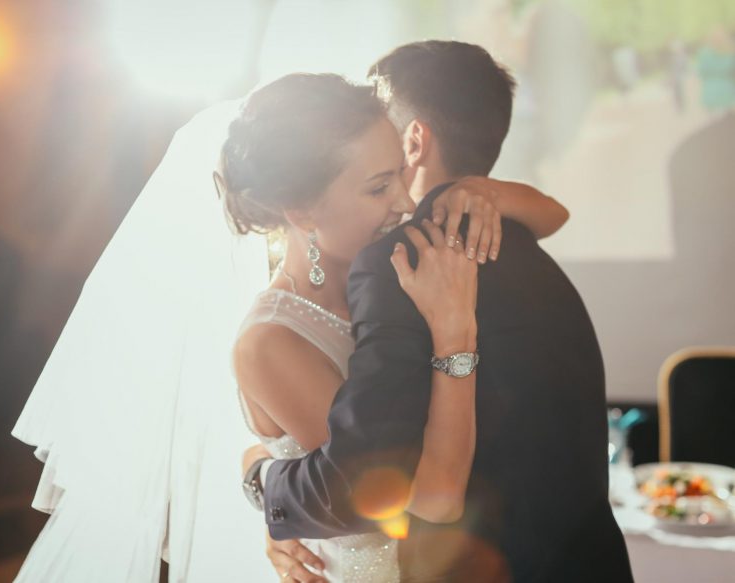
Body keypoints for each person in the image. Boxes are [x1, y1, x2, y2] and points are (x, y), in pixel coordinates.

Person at [245, 41, 633, 582]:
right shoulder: (527, 247)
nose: (402, 202)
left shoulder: (398, 263)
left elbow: (391, 482)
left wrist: (262, 481)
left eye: (392, 171)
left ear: (414, 140)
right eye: (379, 184)